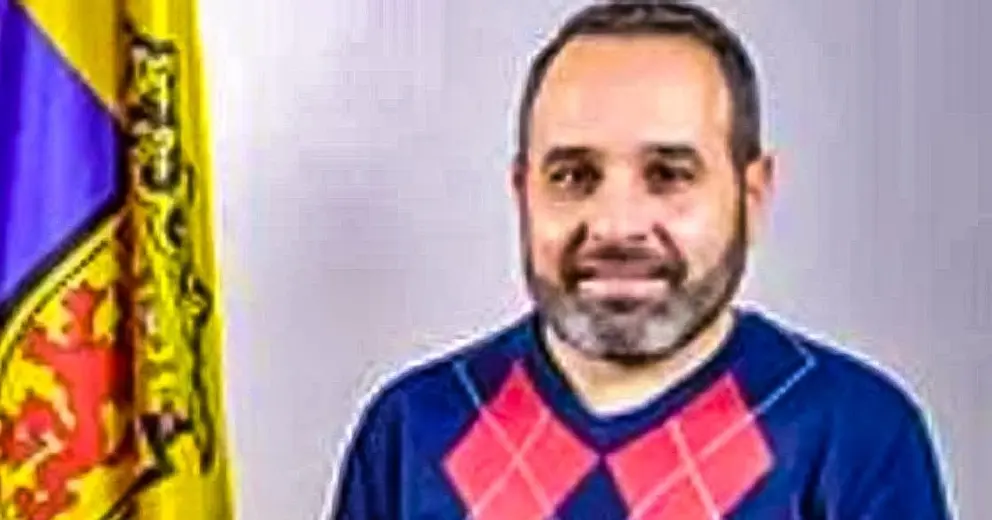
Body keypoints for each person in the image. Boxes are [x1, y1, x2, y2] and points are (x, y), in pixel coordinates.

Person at [324, 1, 954, 518]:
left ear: (752, 193)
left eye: (669, 174)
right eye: (573, 176)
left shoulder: (852, 431)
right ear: (522, 192)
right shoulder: (416, 428)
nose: (617, 225)